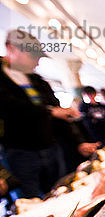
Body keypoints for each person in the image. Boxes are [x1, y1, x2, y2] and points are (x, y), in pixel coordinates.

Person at [0, 30, 98, 198]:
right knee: (32, 202)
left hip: (52, 149)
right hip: (20, 154)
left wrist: (78, 143)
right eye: (33, 55)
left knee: (62, 192)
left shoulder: (39, 82)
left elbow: (60, 115)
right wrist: (49, 112)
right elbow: (11, 108)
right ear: (12, 48)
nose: (37, 62)